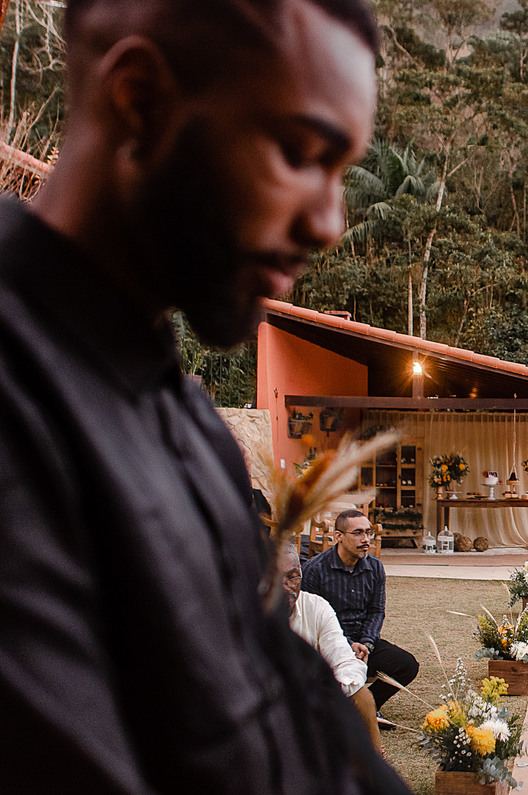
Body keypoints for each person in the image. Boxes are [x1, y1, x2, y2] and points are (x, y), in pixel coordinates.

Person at [0, 1, 407, 791]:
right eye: (299, 152)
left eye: (344, 173)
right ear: (141, 100)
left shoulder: (190, 427)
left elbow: (286, 701)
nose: (331, 222)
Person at [303, 509, 419, 728]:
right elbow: (312, 620)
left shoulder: (374, 567)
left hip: (364, 646)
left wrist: (366, 643)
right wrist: (347, 645)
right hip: (327, 646)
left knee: (407, 665)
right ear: (338, 536)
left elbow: (376, 611)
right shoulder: (314, 570)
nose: (365, 539)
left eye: (368, 533)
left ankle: (368, 707)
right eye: (358, 533)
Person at [279, 542, 383, 754]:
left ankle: (373, 764)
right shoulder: (240, 612)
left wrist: (331, 690)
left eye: (292, 577)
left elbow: (345, 660)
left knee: (362, 695)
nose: (285, 586)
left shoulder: (316, 607)